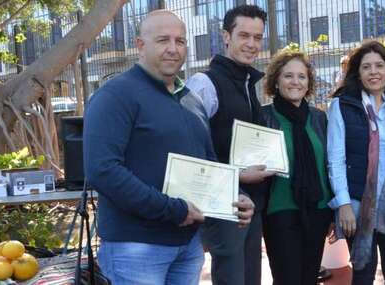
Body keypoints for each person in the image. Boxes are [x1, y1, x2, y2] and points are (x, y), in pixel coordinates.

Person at [83, 10, 255, 285]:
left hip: (187, 247)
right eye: (163, 40)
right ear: (140, 45)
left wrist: (235, 195)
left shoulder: (191, 100)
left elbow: (208, 165)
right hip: (135, 248)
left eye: (181, 41)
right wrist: (174, 210)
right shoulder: (115, 96)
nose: (173, 49)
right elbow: (103, 171)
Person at [186, 4, 273, 285]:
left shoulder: (248, 84)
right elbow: (189, 152)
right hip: (222, 206)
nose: (251, 44)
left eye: (257, 37)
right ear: (226, 36)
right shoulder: (204, 84)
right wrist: (237, 175)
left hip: (251, 204)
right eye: (243, 35)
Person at [327, 40, 385, 285]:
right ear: (358, 73)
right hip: (357, 202)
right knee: (363, 271)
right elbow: (336, 158)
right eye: (366, 67)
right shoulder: (342, 106)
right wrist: (343, 203)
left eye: (379, 65)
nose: (373, 72)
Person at [259, 50, 334, 284]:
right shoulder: (263, 117)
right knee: (287, 278)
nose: (295, 82)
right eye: (288, 76)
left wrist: (332, 209)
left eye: (302, 77)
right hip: (280, 211)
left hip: (318, 209)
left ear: (309, 82)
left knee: (309, 277)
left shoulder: (319, 118)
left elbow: (328, 165)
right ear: (276, 81)